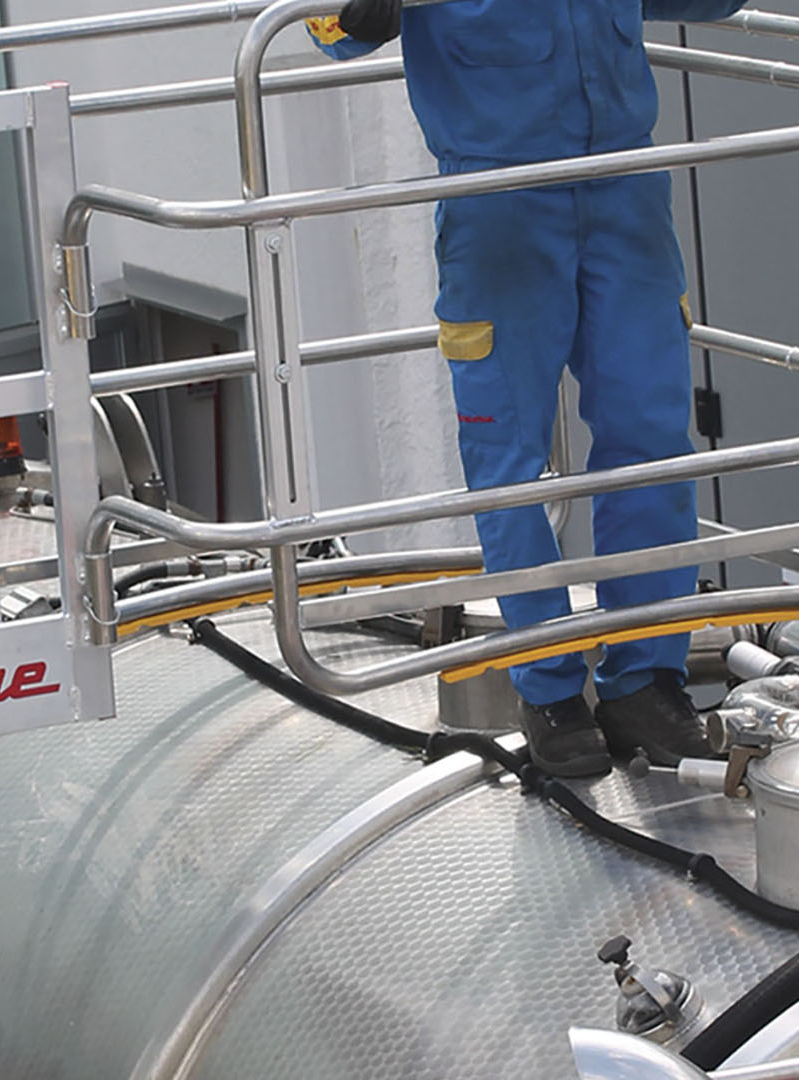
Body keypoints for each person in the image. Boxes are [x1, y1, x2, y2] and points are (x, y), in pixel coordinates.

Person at [307, 0, 744, 777]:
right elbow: (330, 24)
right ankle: (547, 690)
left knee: (651, 439)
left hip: (624, 186)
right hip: (499, 198)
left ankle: (646, 680)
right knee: (508, 459)